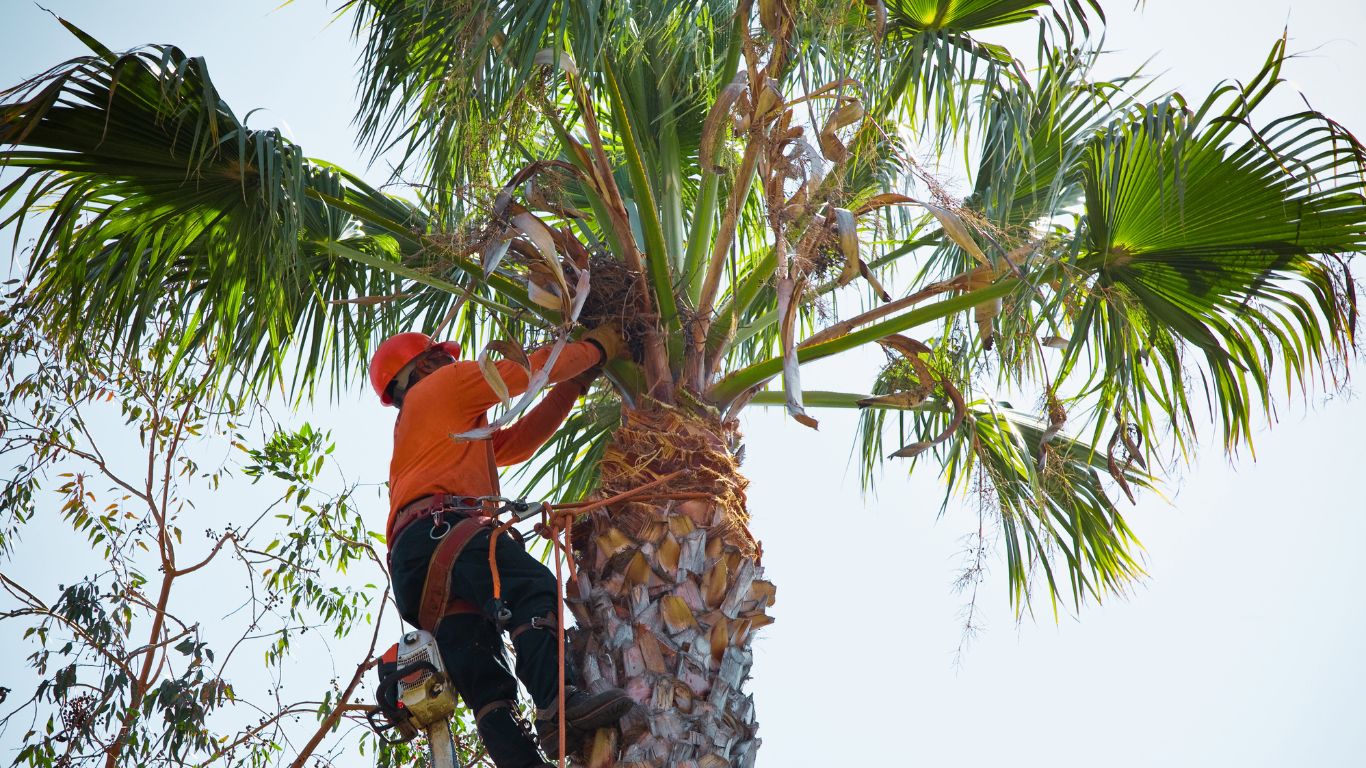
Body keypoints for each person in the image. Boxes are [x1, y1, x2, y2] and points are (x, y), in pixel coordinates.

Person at [370, 328, 633, 767]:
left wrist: (575, 385)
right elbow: (527, 372)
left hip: (415, 565)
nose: (455, 363)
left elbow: (518, 442)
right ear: (429, 364)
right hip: (442, 532)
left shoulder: (430, 424)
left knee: (488, 682)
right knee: (532, 588)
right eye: (445, 358)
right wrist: (600, 347)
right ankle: (557, 703)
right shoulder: (444, 386)